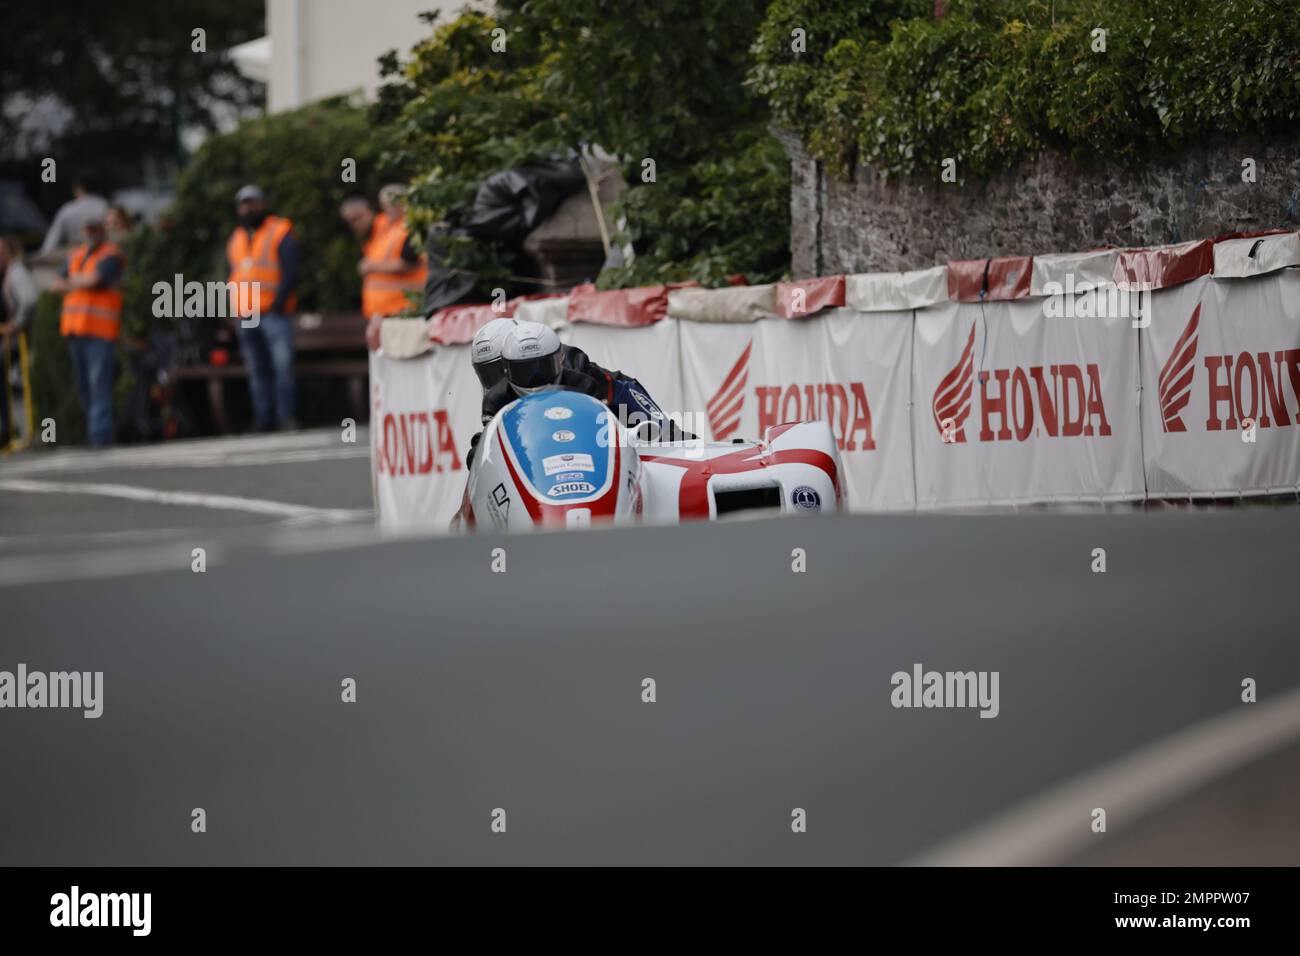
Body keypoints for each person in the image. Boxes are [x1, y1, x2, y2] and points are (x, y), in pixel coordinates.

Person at [466, 320, 691, 468]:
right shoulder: (498, 397)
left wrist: (662, 433)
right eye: (488, 373)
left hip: (619, 405)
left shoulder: (573, 369)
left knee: (669, 441)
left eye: (500, 369)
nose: (497, 379)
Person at [226, 184, 300, 431]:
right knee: (257, 369)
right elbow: (234, 274)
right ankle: (264, 418)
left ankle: (285, 417)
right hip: (246, 314)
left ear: (263, 204)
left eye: (252, 203)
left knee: (282, 366)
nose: (248, 208)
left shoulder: (279, 231)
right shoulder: (236, 237)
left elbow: (291, 269)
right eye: (243, 204)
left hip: (272, 313)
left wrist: (279, 302)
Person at [51, 218, 124, 447]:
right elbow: (56, 284)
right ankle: (97, 432)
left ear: (102, 232)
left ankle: (98, 438)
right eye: (87, 230)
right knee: (85, 387)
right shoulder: (76, 255)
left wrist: (74, 282)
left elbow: (96, 280)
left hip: (100, 332)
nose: (90, 234)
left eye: (94, 230)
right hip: (75, 330)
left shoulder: (110, 254)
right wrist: (80, 281)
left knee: (98, 385)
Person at [339, 195, 426, 320]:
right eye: (349, 221)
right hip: (383, 313)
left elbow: (411, 262)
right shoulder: (374, 235)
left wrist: (371, 266)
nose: (354, 225)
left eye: (357, 218)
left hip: (403, 310)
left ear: (369, 211)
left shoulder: (399, 229)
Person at [0, 236, 38, 446]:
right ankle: (8, 428)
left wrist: (17, 323)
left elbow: (30, 299)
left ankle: (14, 429)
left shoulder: (16, 272)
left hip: (17, 341)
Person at [39, 176, 110, 255]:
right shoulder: (104, 205)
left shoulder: (67, 209)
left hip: (77, 253)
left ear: (79, 188)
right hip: (102, 252)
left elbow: (51, 241)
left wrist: (44, 254)